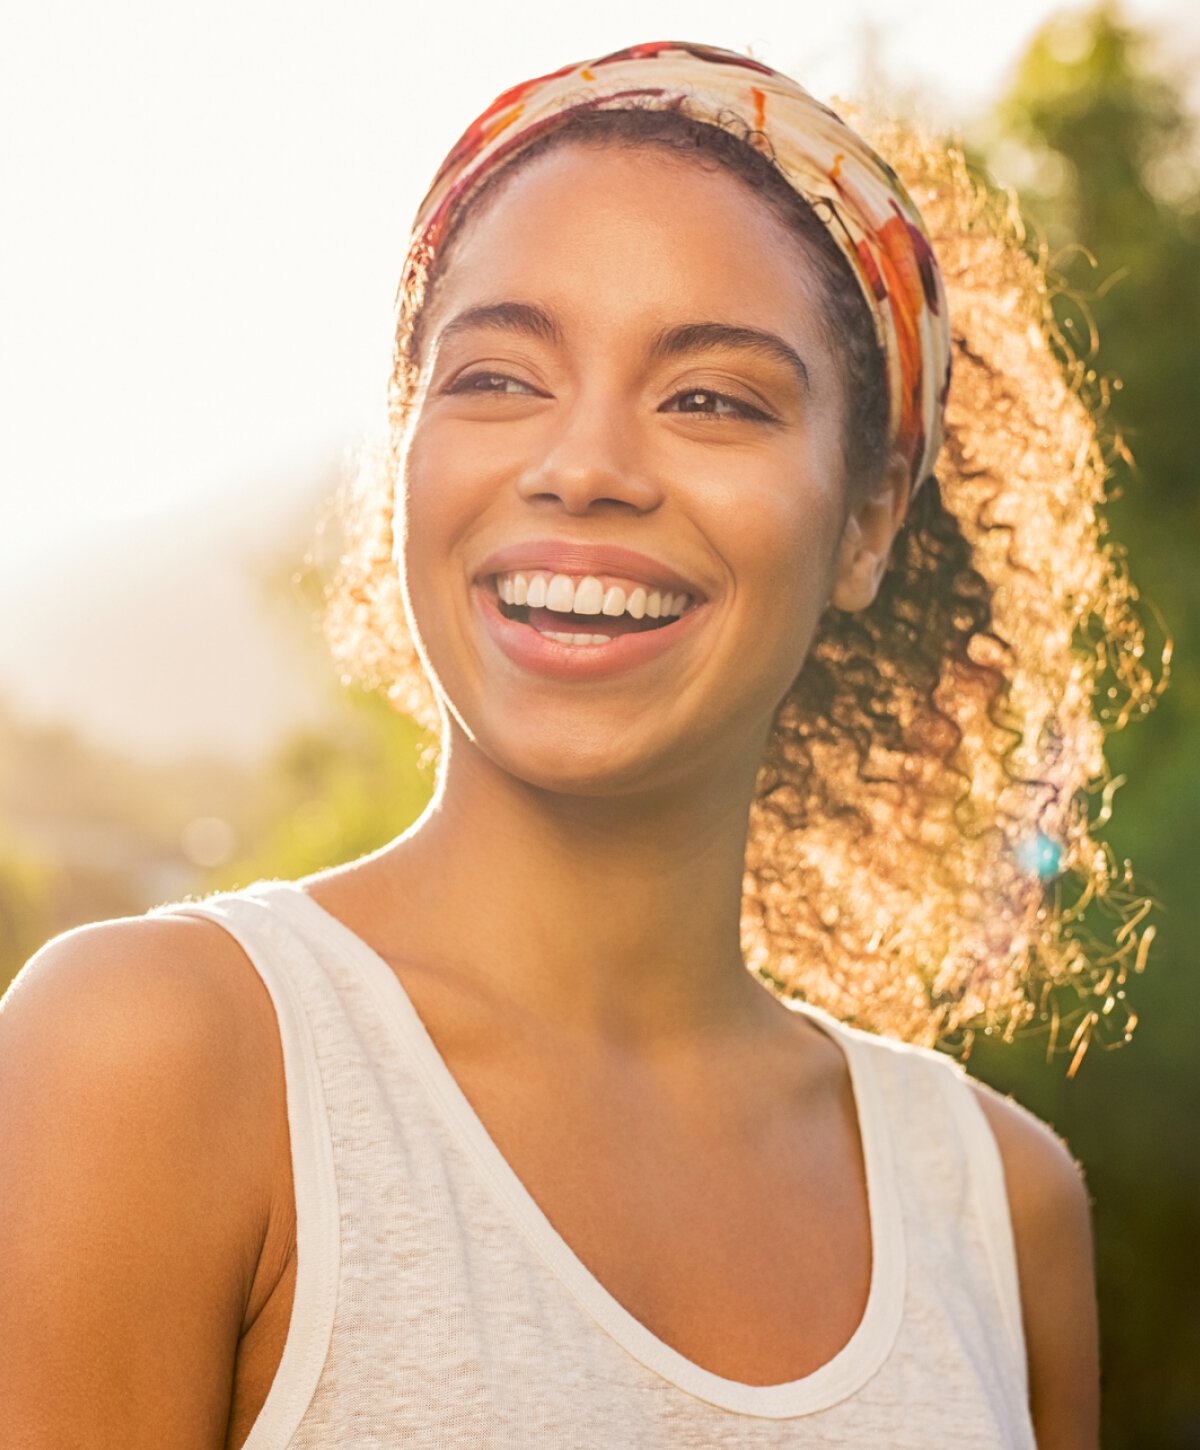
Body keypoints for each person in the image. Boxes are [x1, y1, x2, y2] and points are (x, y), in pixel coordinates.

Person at [10, 37, 1158, 1448]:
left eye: (712, 398)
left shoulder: (999, 1206)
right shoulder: (152, 1059)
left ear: (866, 520)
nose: (585, 466)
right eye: (497, 377)